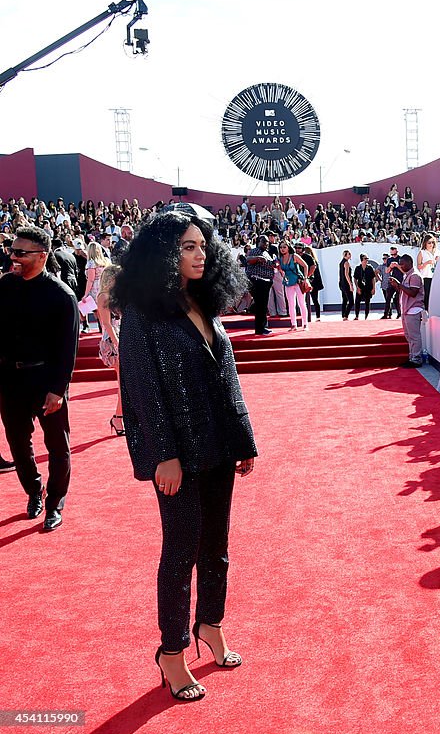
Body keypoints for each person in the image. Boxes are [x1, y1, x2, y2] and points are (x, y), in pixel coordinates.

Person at [113, 211, 257, 703]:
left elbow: (228, 379)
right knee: (180, 551)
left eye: (202, 246)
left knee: (216, 546)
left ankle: (210, 626)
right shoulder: (141, 312)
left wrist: (243, 440)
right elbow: (141, 391)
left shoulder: (205, 303)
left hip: (218, 446)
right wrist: (163, 457)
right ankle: (171, 652)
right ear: (161, 255)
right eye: (187, 247)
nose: (200, 254)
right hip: (177, 455)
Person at [0, 225, 79, 530]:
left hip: (47, 379)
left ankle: (55, 502)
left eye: (20, 252)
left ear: (42, 256)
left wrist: (58, 390)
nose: (13, 257)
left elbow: (68, 349)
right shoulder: (5, 287)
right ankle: (34, 490)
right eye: (12, 250)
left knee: (58, 446)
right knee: (18, 444)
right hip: (10, 380)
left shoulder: (61, 295)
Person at [95, 264, 124, 435]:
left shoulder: (115, 295)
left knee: (125, 383)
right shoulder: (104, 296)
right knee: (123, 383)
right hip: (112, 341)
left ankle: (119, 417)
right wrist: (118, 343)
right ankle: (118, 418)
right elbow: (106, 323)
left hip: (120, 337)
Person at [389, 254, 425, 367]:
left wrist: (399, 284)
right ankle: (412, 357)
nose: (401, 266)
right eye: (400, 263)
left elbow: (413, 293)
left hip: (413, 309)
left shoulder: (414, 276)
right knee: (409, 336)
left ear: (410, 263)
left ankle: (416, 358)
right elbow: (405, 291)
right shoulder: (408, 275)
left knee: (414, 336)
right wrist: (397, 285)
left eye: (402, 263)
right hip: (407, 309)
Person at [244, 236, 274, 335]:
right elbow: (248, 259)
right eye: (264, 242)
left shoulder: (267, 253)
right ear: (259, 242)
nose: (266, 244)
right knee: (260, 305)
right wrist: (257, 258)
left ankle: (263, 327)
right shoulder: (255, 251)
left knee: (263, 305)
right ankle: (260, 328)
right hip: (257, 281)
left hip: (266, 282)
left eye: (268, 242)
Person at [275, 240, 308, 331]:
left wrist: (305, 278)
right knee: (291, 304)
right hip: (288, 283)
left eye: (284, 247)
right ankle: (293, 324)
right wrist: (280, 270)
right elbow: (281, 272)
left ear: (288, 247)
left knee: (301, 303)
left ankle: (305, 324)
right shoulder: (279, 259)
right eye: (281, 247)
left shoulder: (294, 256)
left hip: (298, 282)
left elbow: (305, 266)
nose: (282, 249)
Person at [416, 233, 437, 310]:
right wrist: (426, 263)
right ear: (425, 243)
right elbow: (419, 266)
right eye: (429, 242)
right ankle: (426, 310)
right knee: (427, 295)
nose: (431, 244)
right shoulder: (422, 252)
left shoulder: (437, 252)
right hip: (426, 277)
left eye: (432, 242)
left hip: (435, 276)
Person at [382, 246, 402, 319]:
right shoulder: (389, 260)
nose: (393, 256)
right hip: (392, 280)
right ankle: (386, 314)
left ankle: (399, 313)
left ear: (397, 252)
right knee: (388, 297)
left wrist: (397, 265)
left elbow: (404, 271)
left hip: (400, 281)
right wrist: (390, 266)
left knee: (397, 298)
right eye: (392, 255)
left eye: (394, 254)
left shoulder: (401, 259)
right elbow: (387, 271)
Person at [353, 254, 375, 320]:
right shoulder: (358, 268)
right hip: (360, 287)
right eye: (365, 259)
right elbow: (355, 279)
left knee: (367, 302)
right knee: (357, 302)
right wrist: (357, 287)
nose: (367, 260)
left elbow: (373, 279)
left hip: (368, 287)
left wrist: (373, 288)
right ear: (362, 260)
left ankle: (366, 316)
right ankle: (357, 316)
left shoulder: (370, 268)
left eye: (367, 259)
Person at [338, 249, 354, 320]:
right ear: (346, 255)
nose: (350, 255)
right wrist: (350, 284)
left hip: (341, 283)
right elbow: (346, 274)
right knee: (351, 301)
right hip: (346, 284)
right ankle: (346, 315)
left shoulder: (341, 262)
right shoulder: (346, 263)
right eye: (349, 254)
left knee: (344, 299)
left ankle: (343, 315)